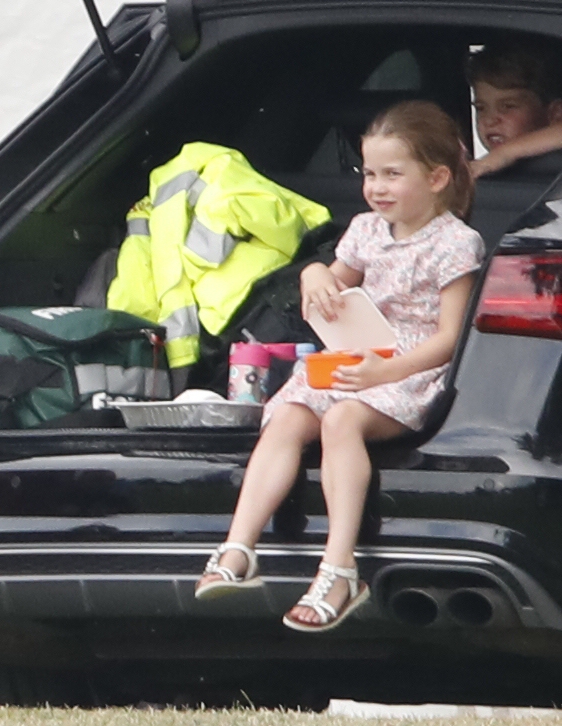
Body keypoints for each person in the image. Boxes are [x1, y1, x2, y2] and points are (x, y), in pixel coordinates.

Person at [194, 100, 485, 633]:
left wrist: (385, 374)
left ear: (439, 177)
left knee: (341, 420)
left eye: (393, 174)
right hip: (356, 360)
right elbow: (333, 277)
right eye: (369, 173)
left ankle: (340, 567)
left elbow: (450, 339)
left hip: (409, 372)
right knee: (286, 417)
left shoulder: (456, 244)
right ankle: (239, 546)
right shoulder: (366, 230)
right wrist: (314, 279)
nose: (376, 186)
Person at [465, 41, 562, 179]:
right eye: (480, 108)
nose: (489, 120)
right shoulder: (483, 172)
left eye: (508, 106)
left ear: (555, 113)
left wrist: (507, 153)